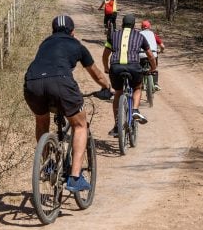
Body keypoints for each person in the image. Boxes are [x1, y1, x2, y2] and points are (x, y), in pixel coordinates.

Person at [24, 15, 112, 192]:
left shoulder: (45, 43)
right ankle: (75, 177)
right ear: (72, 32)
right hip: (61, 83)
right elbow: (96, 73)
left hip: (32, 83)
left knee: (42, 122)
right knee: (80, 125)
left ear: (53, 30)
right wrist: (106, 87)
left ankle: (48, 165)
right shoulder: (77, 45)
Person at [102, 14, 157, 136]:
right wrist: (153, 68)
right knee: (137, 87)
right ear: (134, 26)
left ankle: (117, 124)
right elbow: (150, 56)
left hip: (116, 67)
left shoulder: (113, 35)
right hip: (133, 67)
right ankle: (135, 110)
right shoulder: (140, 36)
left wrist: (106, 67)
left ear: (122, 24)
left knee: (118, 92)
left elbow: (105, 55)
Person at [139, 20, 166, 91]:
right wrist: (161, 51)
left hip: (141, 54)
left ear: (141, 27)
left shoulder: (138, 34)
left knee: (139, 68)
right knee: (154, 67)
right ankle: (155, 83)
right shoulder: (153, 35)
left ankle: (140, 83)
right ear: (150, 27)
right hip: (153, 54)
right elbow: (162, 46)